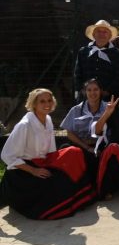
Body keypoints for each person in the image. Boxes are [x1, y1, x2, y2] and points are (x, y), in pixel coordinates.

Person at [0, 88, 95, 219]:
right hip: (23, 171)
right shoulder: (24, 125)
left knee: (74, 153)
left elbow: (50, 152)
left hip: (43, 162)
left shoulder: (48, 119)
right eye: (42, 101)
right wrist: (33, 170)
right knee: (52, 187)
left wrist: (58, 166)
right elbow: (7, 155)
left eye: (49, 100)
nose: (47, 104)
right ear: (34, 104)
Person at [60, 78, 108, 180]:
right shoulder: (76, 109)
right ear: (84, 92)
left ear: (101, 91)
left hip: (101, 145)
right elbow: (65, 131)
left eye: (96, 89)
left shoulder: (108, 108)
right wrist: (86, 147)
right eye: (89, 90)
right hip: (81, 145)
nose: (92, 93)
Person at [73, 19, 119, 101]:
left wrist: (107, 91)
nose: (102, 34)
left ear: (110, 35)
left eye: (105, 32)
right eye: (99, 31)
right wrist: (82, 90)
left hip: (108, 98)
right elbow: (77, 73)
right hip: (85, 97)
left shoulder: (116, 53)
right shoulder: (83, 51)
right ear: (93, 34)